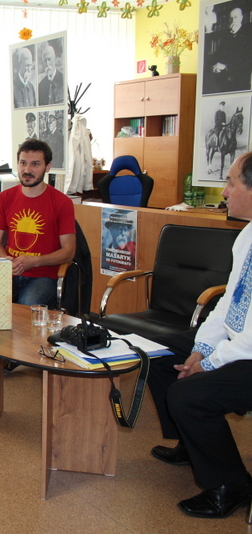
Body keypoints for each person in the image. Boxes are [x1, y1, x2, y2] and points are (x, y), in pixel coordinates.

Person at [148, 151, 252, 519]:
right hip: (238, 346)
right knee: (160, 353)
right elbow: (229, 303)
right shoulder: (247, 235)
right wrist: (201, 349)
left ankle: (231, 485)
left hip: (249, 354)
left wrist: (208, 363)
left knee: (190, 395)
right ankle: (192, 444)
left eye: (231, 183)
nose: (224, 192)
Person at [0, 139, 75, 307]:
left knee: (27, 305)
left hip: (43, 275)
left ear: (47, 167)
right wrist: (5, 260)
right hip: (8, 272)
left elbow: (69, 252)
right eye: (23, 163)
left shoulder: (62, 202)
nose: (27, 170)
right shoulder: (4, 198)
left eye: (35, 164)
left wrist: (34, 261)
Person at [209, 7, 252, 94]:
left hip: (240, 78)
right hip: (223, 79)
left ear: (241, 18)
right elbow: (218, 54)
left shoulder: (248, 35)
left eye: (236, 17)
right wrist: (214, 65)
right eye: (231, 18)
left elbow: (247, 59)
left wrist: (226, 67)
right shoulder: (226, 36)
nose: (233, 21)